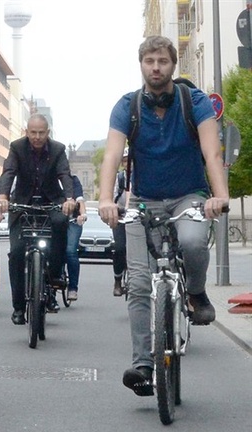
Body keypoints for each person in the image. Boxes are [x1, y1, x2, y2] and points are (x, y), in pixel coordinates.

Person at [97, 35, 229, 396]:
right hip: (142, 200)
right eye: (149, 61)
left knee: (191, 241)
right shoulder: (128, 106)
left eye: (163, 61)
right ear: (141, 64)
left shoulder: (194, 102)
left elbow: (212, 152)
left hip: (189, 195)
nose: (156, 68)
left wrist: (220, 195)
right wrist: (107, 199)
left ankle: (197, 293)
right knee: (138, 282)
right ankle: (143, 362)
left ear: (173, 65)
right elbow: (111, 155)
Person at [0, 114, 76, 324]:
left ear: (47, 133)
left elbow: (65, 175)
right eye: (33, 133)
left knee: (60, 223)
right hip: (22, 204)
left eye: (41, 133)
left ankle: (54, 276)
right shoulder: (17, 147)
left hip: (51, 202)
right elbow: (8, 173)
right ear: (27, 132)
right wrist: (3, 197)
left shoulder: (58, 149)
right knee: (16, 253)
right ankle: (19, 308)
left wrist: (69, 198)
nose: (37, 137)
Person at [111, 148, 130, 297]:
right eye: (124, 160)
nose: (128, 163)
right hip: (121, 217)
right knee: (119, 248)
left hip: (138, 217)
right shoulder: (120, 178)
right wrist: (114, 209)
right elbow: (111, 198)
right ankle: (117, 280)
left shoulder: (143, 177)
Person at [65, 174, 87, 301]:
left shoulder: (73, 180)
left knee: (70, 251)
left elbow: (80, 199)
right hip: (53, 221)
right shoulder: (48, 177)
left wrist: (83, 214)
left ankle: (73, 288)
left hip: (73, 221)